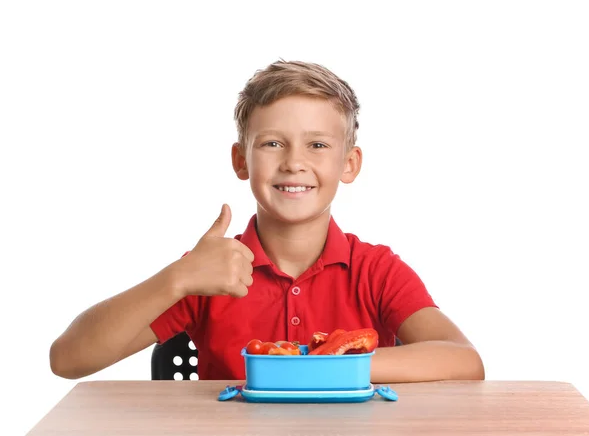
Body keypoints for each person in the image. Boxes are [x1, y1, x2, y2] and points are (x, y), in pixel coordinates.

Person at [49, 60, 485, 383]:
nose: (294, 163)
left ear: (349, 164)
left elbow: (466, 362)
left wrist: (326, 364)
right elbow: (67, 360)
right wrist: (176, 279)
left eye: (317, 144)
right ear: (241, 160)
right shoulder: (208, 272)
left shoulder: (375, 270)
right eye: (273, 143)